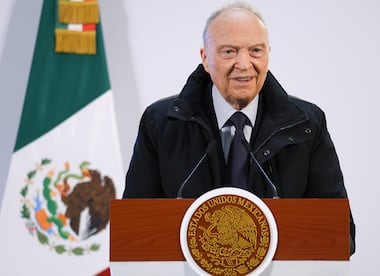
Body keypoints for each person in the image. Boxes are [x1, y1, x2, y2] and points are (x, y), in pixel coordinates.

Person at [123, 1, 355, 255]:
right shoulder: (162, 122)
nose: (244, 64)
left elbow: (340, 234)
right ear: (205, 58)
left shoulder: (307, 124)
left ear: (268, 53)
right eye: (229, 52)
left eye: (255, 50)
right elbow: (134, 231)